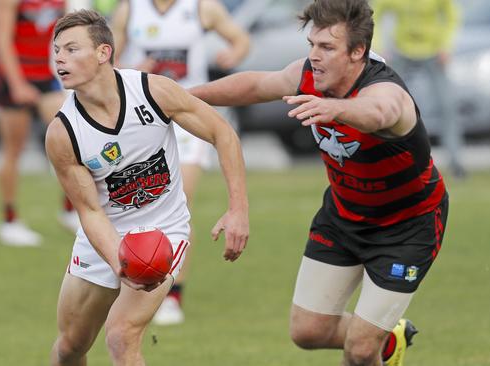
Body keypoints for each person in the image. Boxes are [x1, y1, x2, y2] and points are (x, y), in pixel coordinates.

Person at [189, 0, 448, 365]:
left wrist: (336, 109)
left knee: (359, 350)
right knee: (307, 332)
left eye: (327, 47)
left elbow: (379, 112)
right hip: (344, 216)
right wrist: (183, 97)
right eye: (312, 44)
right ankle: (386, 337)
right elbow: (254, 85)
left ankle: (370, 339)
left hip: (406, 228)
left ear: (358, 52)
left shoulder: (386, 91)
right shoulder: (307, 76)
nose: (315, 55)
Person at [46, 9, 249, 365]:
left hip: (164, 232)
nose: (60, 58)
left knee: (121, 336)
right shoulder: (63, 133)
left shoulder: (152, 91)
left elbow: (222, 133)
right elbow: (91, 211)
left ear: (103, 53)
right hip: (105, 236)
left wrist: (238, 210)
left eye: (71, 49)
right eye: (57, 50)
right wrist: (120, 263)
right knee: (69, 347)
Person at [111, 0, 250, 325]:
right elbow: (108, 62)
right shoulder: (129, 9)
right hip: (142, 121)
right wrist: (131, 69)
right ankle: (135, 281)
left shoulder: (202, 7)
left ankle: (173, 294)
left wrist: (235, 55)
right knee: (138, 207)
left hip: (188, 120)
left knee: (178, 203)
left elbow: (242, 39)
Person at [0, 0, 79, 247]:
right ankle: (9, 221)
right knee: (13, 150)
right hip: (15, 76)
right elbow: (2, 40)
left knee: (72, 140)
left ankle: (70, 209)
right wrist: (17, 84)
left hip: (47, 75)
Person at [372, 0, 465, 179]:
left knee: (448, 105)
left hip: (434, 52)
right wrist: (379, 47)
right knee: (387, 104)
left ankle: (456, 163)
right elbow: (375, 13)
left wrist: (446, 46)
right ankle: (385, 161)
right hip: (402, 51)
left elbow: (453, 16)